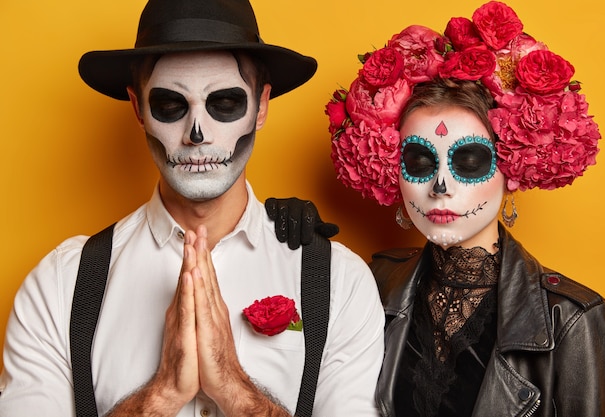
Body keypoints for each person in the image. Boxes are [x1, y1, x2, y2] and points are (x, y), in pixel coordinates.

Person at [0, 1, 384, 416]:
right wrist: (160, 395)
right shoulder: (60, 286)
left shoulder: (337, 281)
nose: (196, 134)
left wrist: (236, 390)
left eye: (224, 103)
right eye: (170, 105)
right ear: (138, 109)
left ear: (262, 107)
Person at [321, 1, 605, 416]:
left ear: (513, 166)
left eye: (468, 162)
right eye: (419, 162)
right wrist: (283, 237)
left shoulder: (572, 321)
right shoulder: (372, 283)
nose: (440, 185)